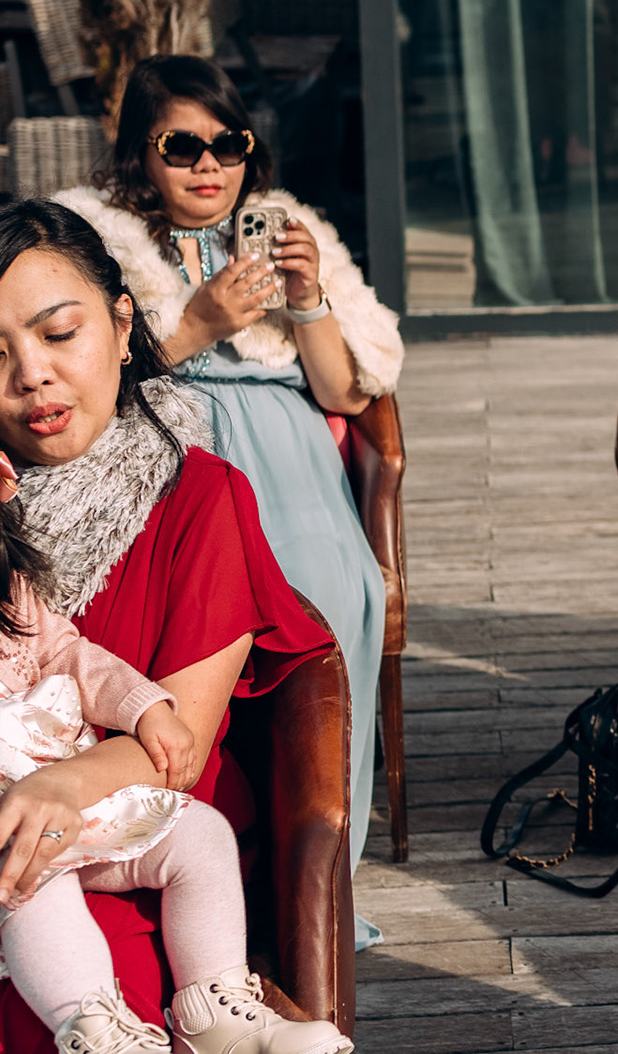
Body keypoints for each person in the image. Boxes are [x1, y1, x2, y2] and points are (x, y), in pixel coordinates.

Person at [51, 56, 398, 912]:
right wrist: (197, 323)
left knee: (335, 594)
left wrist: (308, 297)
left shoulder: (289, 227)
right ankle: (208, 852)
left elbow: (348, 392)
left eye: (228, 143)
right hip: (169, 438)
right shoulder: (96, 243)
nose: (209, 165)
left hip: (286, 444)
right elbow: (94, 381)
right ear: (141, 154)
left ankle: (319, 868)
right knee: (192, 625)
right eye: (182, 146)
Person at [0, 198, 338, 1053]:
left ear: (122, 328)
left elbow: (179, 734)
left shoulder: (199, 497)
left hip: (144, 853)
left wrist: (54, 788)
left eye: (58, 333)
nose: (31, 375)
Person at [0, 502, 350, 1054]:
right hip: (9, 829)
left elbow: (71, 657)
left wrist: (144, 708)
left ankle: (213, 1013)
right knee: (30, 878)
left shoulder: (12, 595)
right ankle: (95, 1029)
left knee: (201, 835)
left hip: (71, 796)